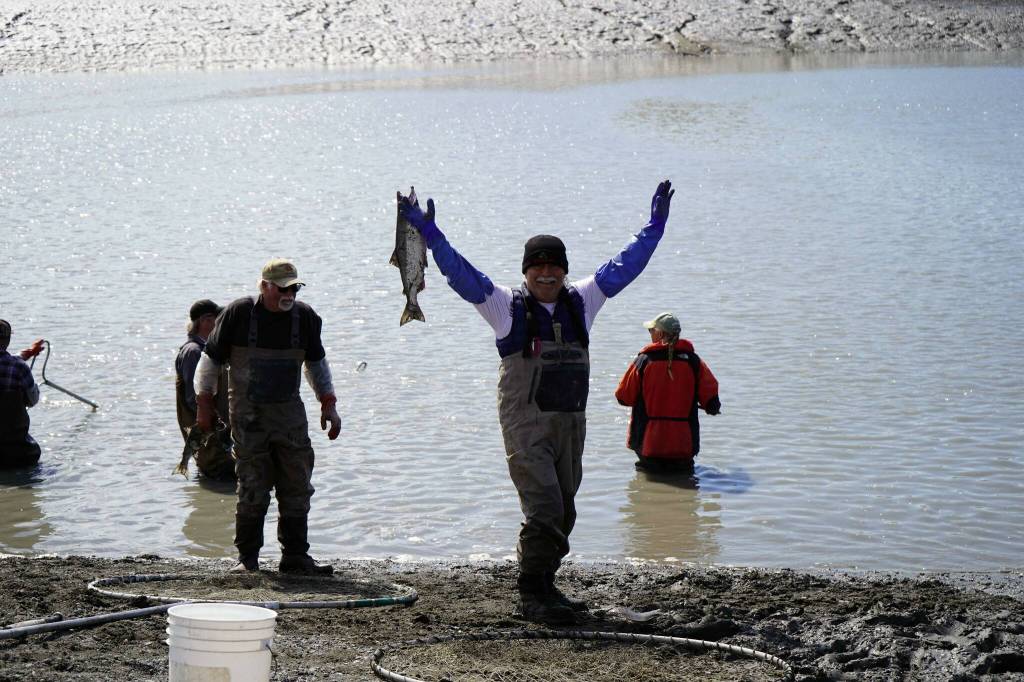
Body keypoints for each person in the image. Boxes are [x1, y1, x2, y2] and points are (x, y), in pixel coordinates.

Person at [399, 180, 675, 624]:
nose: (546, 275)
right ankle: (531, 595)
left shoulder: (583, 300)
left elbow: (625, 267)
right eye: (537, 268)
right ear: (526, 272)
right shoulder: (504, 306)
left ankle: (546, 585)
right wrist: (432, 237)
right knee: (544, 506)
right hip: (526, 425)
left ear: (565, 271)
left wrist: (654, 228)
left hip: (570, 423)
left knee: (564, 510)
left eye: (554, 268)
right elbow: (461, 274)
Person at [193, 259, 342, 574]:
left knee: (297, 484)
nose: (289, 294)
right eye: (282, 288)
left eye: (294, 288)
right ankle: (247, 559)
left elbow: (316, 364)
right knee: (252, 485)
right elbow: (210, 361)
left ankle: (296, 557)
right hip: (248, 418)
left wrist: (328, 402)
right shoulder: (238, 314)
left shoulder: (306, 318)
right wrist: (204, 403)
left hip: (290, 416)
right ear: (264, 286)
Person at [614, 312, 720, 474]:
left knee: (648, 487)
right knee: (685, 481)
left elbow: (622, 397)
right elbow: (712, 402)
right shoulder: (693, 362)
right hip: (683, 444)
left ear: (661, 334)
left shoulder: (644, 361)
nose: (650, 334)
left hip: (650, 444)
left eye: (651, 331)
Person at [175, 299, 234, 480]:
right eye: (219, 320)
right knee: (222, 475)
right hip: (206, 431)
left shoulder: (207, 349)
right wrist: (213, 424)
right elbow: (195, 397)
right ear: (206, 321)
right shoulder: (194, 351)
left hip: (214, 433)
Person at [0, 320, 45, 469]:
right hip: (16, 451)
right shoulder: (19, 367)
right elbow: (33, 400)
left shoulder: (17, 364)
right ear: (8, 340)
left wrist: (29, 353)